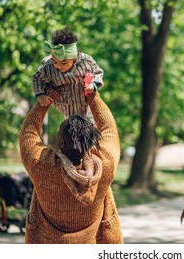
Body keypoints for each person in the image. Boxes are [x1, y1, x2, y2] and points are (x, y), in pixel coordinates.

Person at [19, 87, 123, 243]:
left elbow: (28, 133)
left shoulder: (42, 166)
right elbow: (109, 128)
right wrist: (92, 95)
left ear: (60, 142)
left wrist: (45, 100)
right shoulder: (106, 165)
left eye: (60, 129)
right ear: (89, 143)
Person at [32, 26, 104, 117]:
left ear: (74, 59)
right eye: (55, 62)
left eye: (63, 63)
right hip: (65, 107)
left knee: (93, 126)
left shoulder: (86, 62)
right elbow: (37, 78)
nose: (58, 66)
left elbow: (98, 72)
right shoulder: (48, 66)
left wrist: (93, 85)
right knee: (70, 127)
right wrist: (40, 95)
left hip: (87, 105)